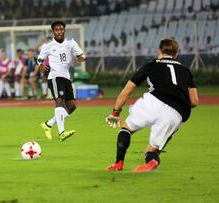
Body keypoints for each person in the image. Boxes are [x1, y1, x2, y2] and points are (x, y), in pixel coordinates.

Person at [104, 38, 198, 172]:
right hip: (176, 112)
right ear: (176, 54)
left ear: (159, 51)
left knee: (126, 129)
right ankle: (152, 161)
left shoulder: (151, 65)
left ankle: (118, 163)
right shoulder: (186, 71)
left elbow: (126, 91)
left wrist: (115, 113)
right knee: (152, 151)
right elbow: (194, 101)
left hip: (153, 102)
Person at [38, 21, 86, 141]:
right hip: (54, 77)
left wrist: (81, 58)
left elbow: (81, 55)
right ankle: (62, 132)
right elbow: (39, 59)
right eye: (56, 30)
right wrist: (41, 66)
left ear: (64, 30)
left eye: (61, 29)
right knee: (59, 101)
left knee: (72, 106)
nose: (59, 31)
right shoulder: (48, 46)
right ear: (53, 32)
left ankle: (48, 124)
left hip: (66, 77)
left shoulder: (71, 43)